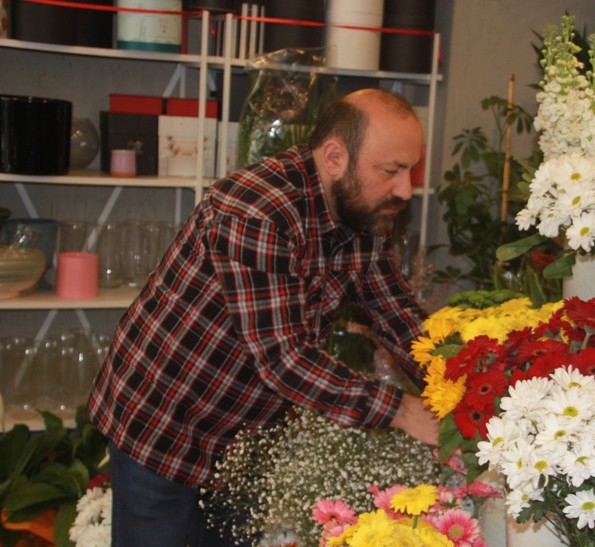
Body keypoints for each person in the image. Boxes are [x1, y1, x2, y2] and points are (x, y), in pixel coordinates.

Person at [87, 88, 440, 547]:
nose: (404, 189)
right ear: (334, 157)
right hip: (164, 419)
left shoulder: (361, 209)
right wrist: (403, 410)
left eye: (409, 170)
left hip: (243, 440)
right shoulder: (258, 209)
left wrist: (460, 386)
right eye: (391, 170)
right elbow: (283, 357)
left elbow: (395, 312)